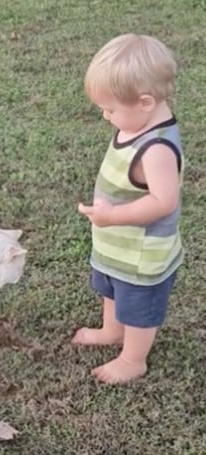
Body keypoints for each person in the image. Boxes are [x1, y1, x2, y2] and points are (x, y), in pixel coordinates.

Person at [73, 33, 184, 384]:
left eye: (110, 109)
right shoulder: (136, 123)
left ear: (145, 102)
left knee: (138, 309)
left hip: (141, 255)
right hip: (118, 247)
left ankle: (133, 359)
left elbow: (164, 201)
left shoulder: (157, 150)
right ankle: (111, 331)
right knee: (112, 291)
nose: (106, 116)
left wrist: (112, 216)